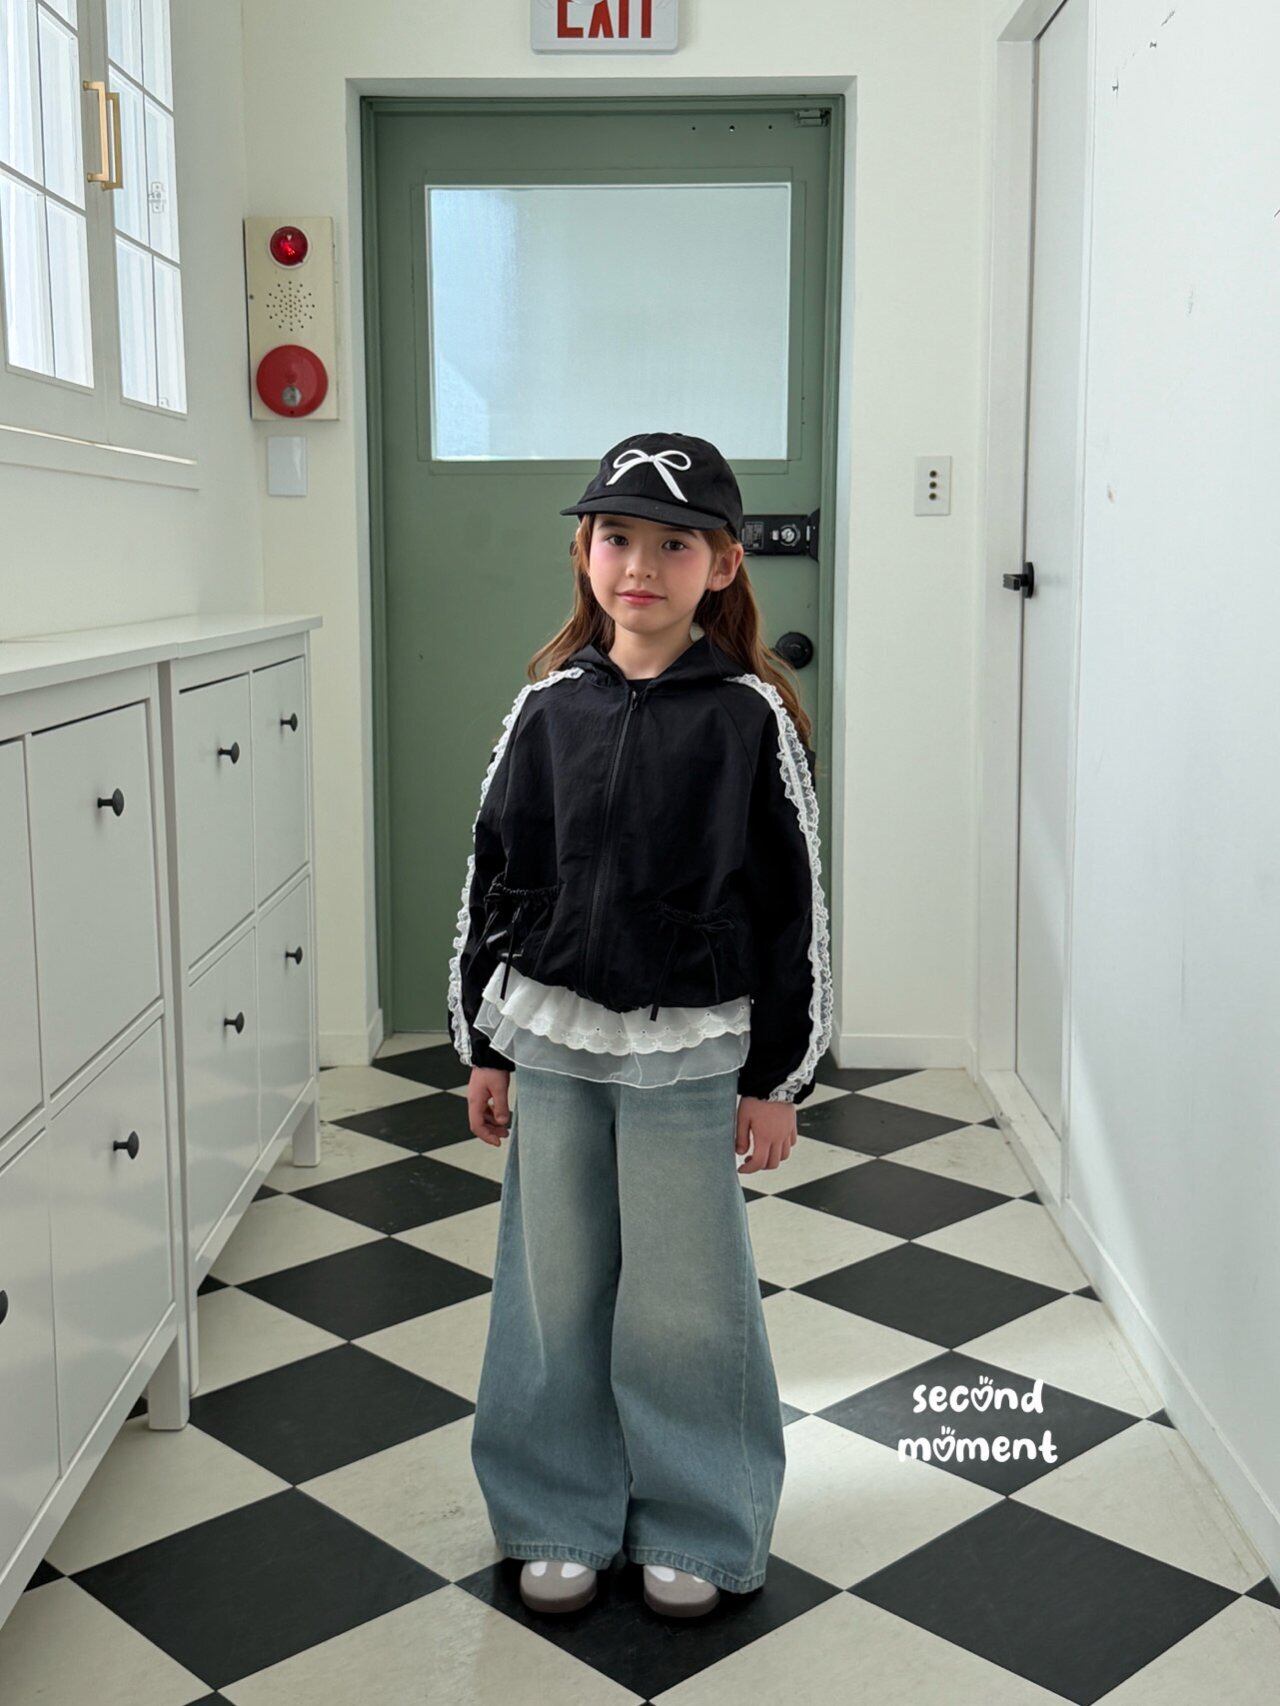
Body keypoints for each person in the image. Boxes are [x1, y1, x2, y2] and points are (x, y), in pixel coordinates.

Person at [446, 430, 833, 1619]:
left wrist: (777, 1073)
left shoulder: (749, 717)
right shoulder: (546, 707)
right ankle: (556, 1508)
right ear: (584, 549)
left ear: (721, 564)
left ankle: (699, 1518)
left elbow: (793, 903)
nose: (641, 566)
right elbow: (493, 869)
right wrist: (482, 1040)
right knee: (553, 1281)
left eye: (674, 544)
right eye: (618, 537)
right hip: (553, 1030)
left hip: (691, 1042)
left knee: (681, 1290)